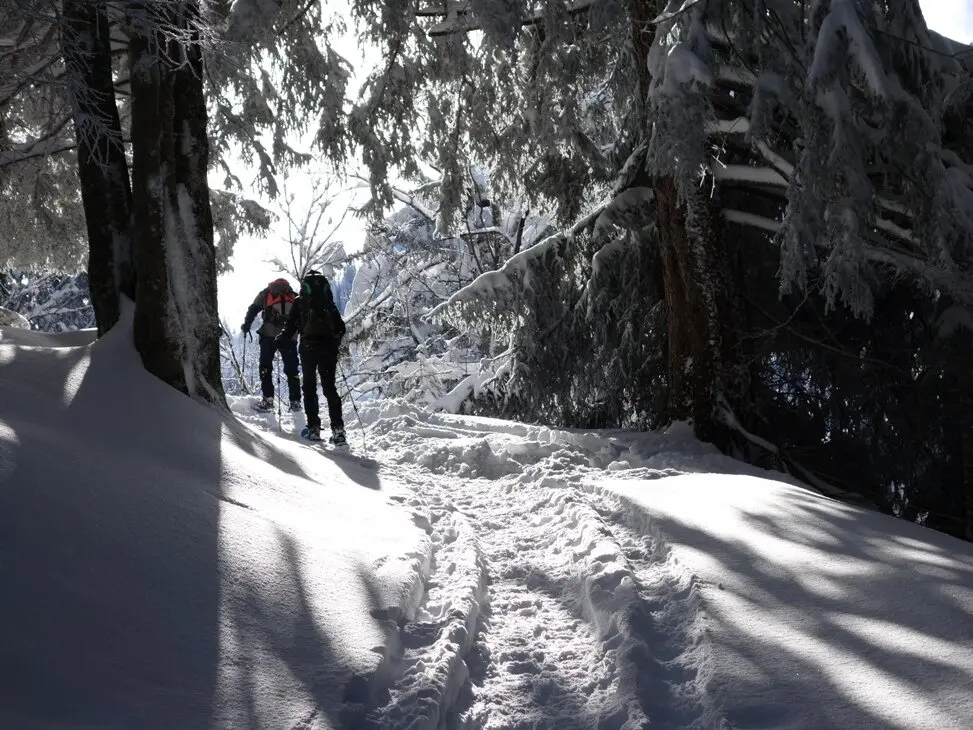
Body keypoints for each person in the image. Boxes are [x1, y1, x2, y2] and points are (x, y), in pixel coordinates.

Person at [276, 269, 347, 444]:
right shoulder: (328, 301)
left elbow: (290, 327)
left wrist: (280, 339)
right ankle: (338, 431)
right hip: (328, 349)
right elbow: (340, 327)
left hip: (308, 349)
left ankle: (313, 428)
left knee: (309, 387)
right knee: (330, 388)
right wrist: (335, 344)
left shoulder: (300, 302)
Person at [241, 277, 301, 412]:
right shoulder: (293, 295)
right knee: (292, 369)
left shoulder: (266, 293)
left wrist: (246, 325)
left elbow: (253, 309)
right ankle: (295, 401)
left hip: (268, 335)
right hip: (289, 336)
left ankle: (268, 400)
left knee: (265, 367)